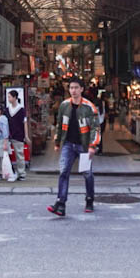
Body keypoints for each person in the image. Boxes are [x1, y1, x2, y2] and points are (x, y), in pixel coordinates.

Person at [48, 77, 100, 217]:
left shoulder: (89, 107)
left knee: (87, 173)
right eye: (71, 88)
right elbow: (60, 125)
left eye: (76, 88)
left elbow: (95, 128)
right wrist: (58, 142)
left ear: (82, 89)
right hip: (68, 144)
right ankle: (60, 203)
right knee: (63, 172)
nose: (74, 90)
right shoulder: (64, 105)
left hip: (83, 145)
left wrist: (92, 146)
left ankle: (89, 199)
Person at [6, 89, 29, 181]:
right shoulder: (7, 109)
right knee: (7, 154)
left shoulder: (21, 109)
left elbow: (25, 123)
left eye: (9, 97)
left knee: (19, 154)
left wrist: (26, 135)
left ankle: (21, 173)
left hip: (19, 134)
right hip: (8, 134)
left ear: (15, 98)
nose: (8, 99)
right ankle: (10, 171)